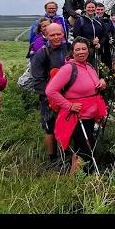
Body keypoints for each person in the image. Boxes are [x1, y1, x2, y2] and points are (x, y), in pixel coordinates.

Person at [46, 37, 107, 174]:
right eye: (77, 49)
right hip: (77, 116)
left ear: (88, 50)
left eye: (84, 49)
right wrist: (68, 105)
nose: (81, 52)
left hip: (90, 116)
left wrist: (102, 82)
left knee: (85, 149)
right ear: (72, 52)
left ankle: (79, 179)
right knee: (85, 151)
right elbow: (50, 90)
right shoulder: (68, 68)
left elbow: (93, 86)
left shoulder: (89, 66)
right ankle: (78, 181)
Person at [31, 23, 69, 165]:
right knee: (50, 129)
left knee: (67, 127)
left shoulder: (69, 48)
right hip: (48, 99)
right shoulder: (41, 54)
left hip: (69, 96)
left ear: (63, 34)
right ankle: (52, 159)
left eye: (58, 34)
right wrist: (51, 97)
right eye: (52, 35)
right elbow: (38, 80)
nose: (56, 37)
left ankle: (67, 156)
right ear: (46, 36)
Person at [73, 0, 107, 70]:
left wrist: (100, 44)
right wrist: (91, 42)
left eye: (92, 7)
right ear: (85, 8)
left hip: (98, 50)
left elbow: (104, 34)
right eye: (89, 7)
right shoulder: (80, 21)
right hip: (85, 52)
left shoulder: (99, 21)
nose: (91, 9)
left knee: (97, 70)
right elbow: (77, 36)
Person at [95, 2, 115, 69]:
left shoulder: (108, 20)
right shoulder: (92, 20)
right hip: (96, 44)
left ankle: (108, 77)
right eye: (98, 10)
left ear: (104, 10)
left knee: (108, 63)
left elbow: (113, 31)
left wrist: (113, 39)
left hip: (107, 44)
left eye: (101, 10)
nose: (100, 11)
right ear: (95, 10)